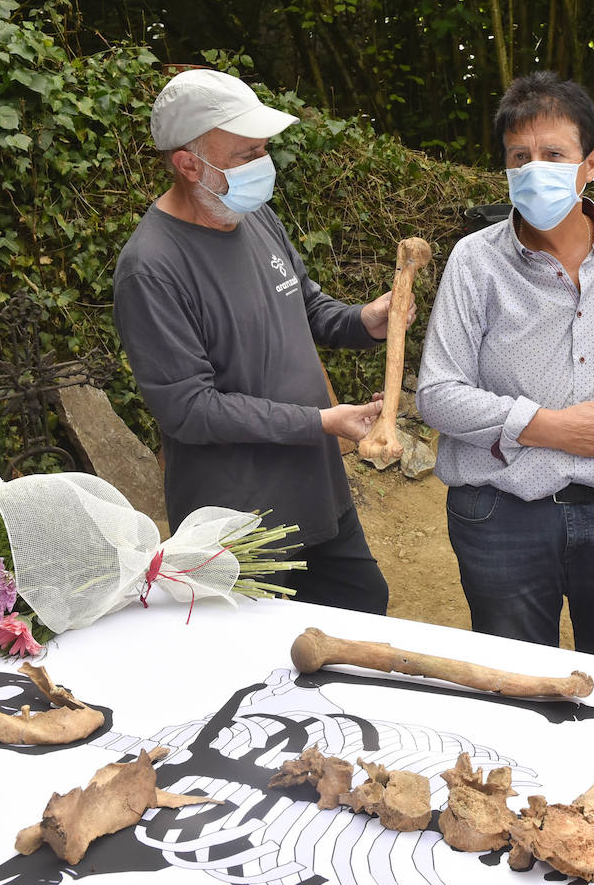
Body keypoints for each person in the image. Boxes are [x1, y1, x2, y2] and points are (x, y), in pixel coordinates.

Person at [416, 71, 594, 664]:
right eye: (520, 157)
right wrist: (544, 425)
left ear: (589, 163)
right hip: (505, 517)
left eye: (554, 154)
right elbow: (436, 393)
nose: (534, 169)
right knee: (515, 683)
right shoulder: (475, 263)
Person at [113, 68, 397, 615]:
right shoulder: (150, 268)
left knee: (364, 608)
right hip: (240, 526)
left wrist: (366, 320)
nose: (262, 166)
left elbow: (306, 306)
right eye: (246, 155)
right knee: (261, 675)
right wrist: (319, 422)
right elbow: (189, 411)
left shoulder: (254, 215)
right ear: (188, 163)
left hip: (318, 492)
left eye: (264, 150)